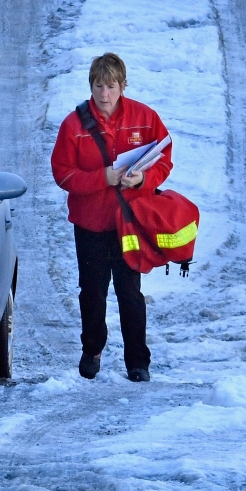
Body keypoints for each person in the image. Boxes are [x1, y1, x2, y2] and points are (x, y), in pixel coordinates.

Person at [50, 53, 172, 382]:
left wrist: (144, 180)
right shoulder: (73, 125)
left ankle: (138, 361)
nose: (104, 94)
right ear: (91, 85)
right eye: (98, 85)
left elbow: (164, 159)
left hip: (130, 222)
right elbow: (61, 174)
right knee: (92, 291)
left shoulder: (145, 119)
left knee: (130, 291)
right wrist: (102, 178)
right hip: (90, 225)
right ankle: (92, 350)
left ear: (122, 86)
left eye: (111, 86)